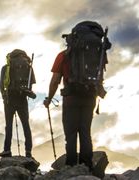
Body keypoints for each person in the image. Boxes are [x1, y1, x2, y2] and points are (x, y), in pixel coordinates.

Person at [43, 21, 111, 171]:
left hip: (71, 97)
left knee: (71, 133)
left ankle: (71, 166)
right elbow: (100, 73)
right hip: (90, 97)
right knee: (85, 131)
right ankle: (87, 165)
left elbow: (55, 80)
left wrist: (49, 98)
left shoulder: (64, 55)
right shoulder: (98, 53)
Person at [0, 49, 36, 158]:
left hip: (9, 99)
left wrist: (4, 97)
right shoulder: (28, 66)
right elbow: (30, 85)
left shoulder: (6, 67)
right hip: (22, 99)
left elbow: (1, 84)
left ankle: (7, 150)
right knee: (26, 125)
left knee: (9, 125)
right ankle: (28, 151)